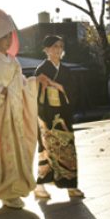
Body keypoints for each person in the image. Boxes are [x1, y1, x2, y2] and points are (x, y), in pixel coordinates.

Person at [0, 8, 48, 209]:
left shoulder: (14, 62)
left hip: (15, 115)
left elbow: (23, 84)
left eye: (10, 35)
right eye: (3, 36)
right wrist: (1, 91)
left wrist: (35, 81)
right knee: (3, 153)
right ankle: (4, 192)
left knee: (18, 152)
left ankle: (16, 189)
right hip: (0, 117)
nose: (8, 40)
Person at [34, 35, 84, 199]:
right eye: (55, 46)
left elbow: (72, 89)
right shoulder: (41, 69)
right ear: (47, 49)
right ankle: (40, 186)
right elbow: (35, 94)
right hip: (46, 114)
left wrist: (54, 84)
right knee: (46, 150)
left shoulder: (66, 69)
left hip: (63, 114)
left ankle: (71, 185)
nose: (59, 49)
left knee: (68, 149)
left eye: (61, 46)